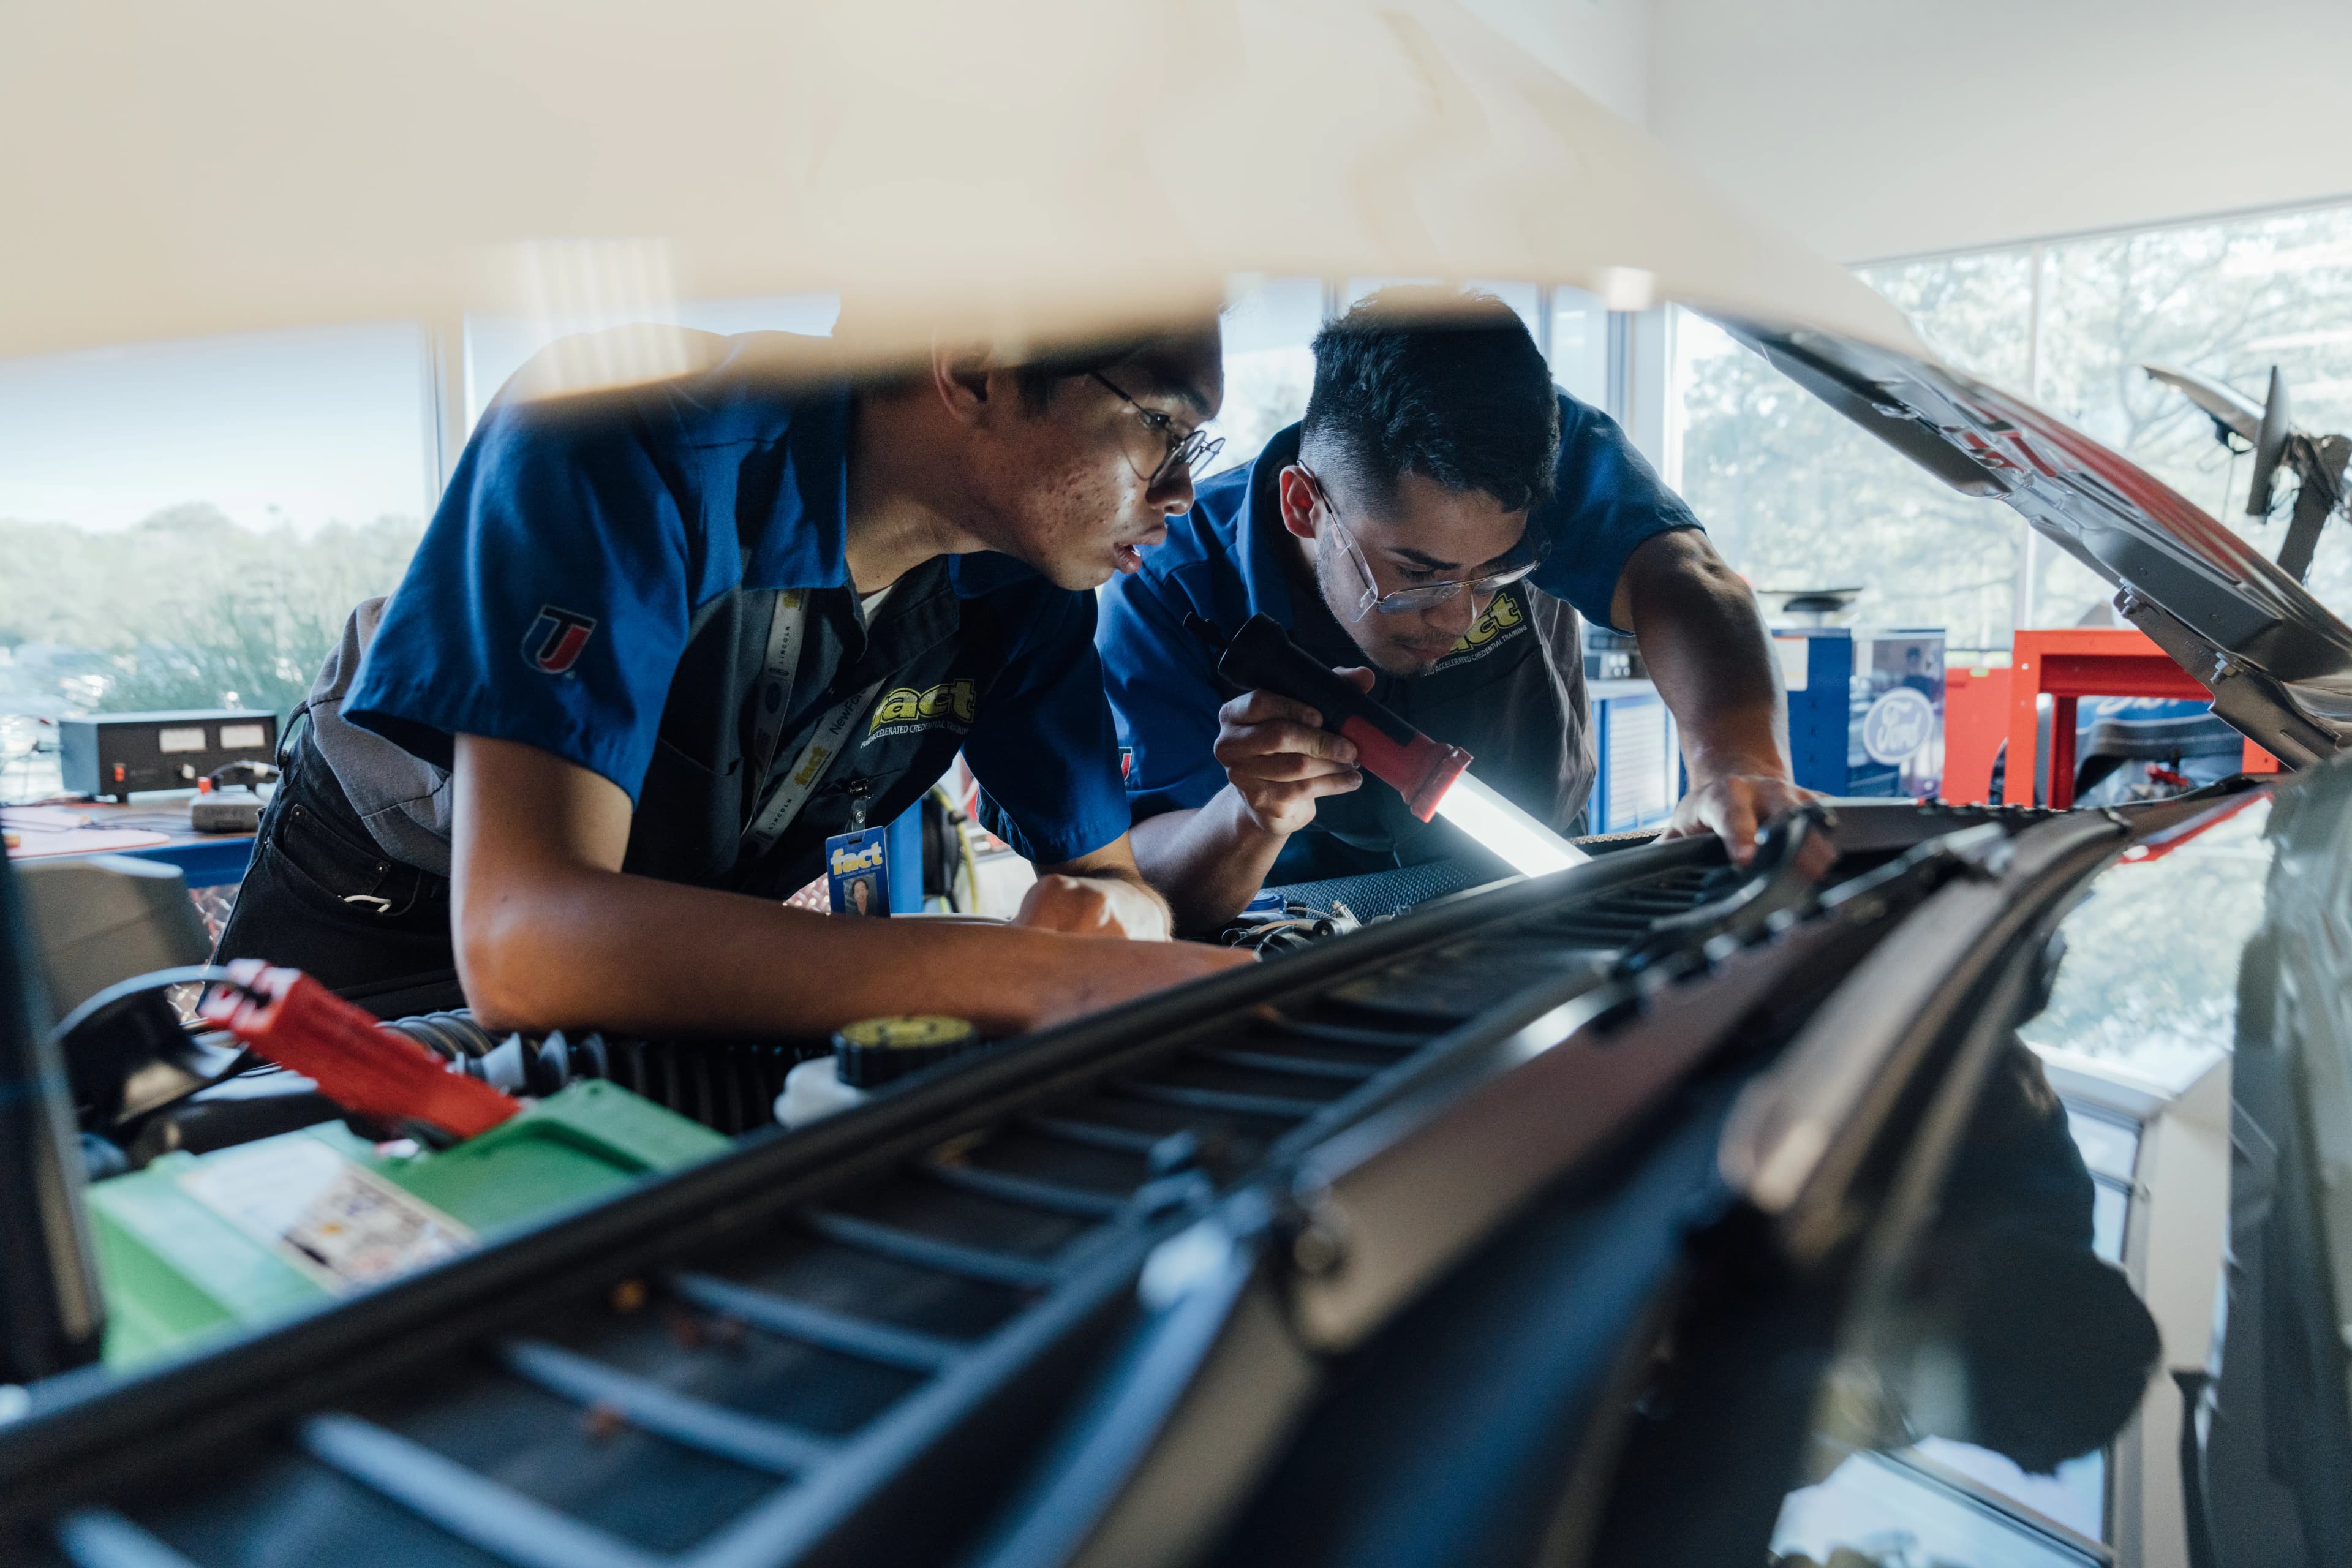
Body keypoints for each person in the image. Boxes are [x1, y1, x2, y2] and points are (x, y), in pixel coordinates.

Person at [216, 321, 1252, 1036]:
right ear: (977, 364)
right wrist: (1029, 970)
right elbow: (526, 942)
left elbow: (1116, 885)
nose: (1185, 490)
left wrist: (1114, 925)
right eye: (1161, 423)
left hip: (663, 940)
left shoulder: (1023, 583)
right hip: (384, 915)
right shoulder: (612, 433)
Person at [1099, 288, 1813, 930]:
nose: (1460, 616)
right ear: (1304, 505)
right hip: (1303, 930)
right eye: (1421, 574)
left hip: (1541, 873)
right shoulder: (1165, 580)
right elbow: (1140, 882)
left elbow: (1685, 577)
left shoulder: (1535, 449)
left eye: (1499, 572)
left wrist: (1735, 762)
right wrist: (1249, 815)